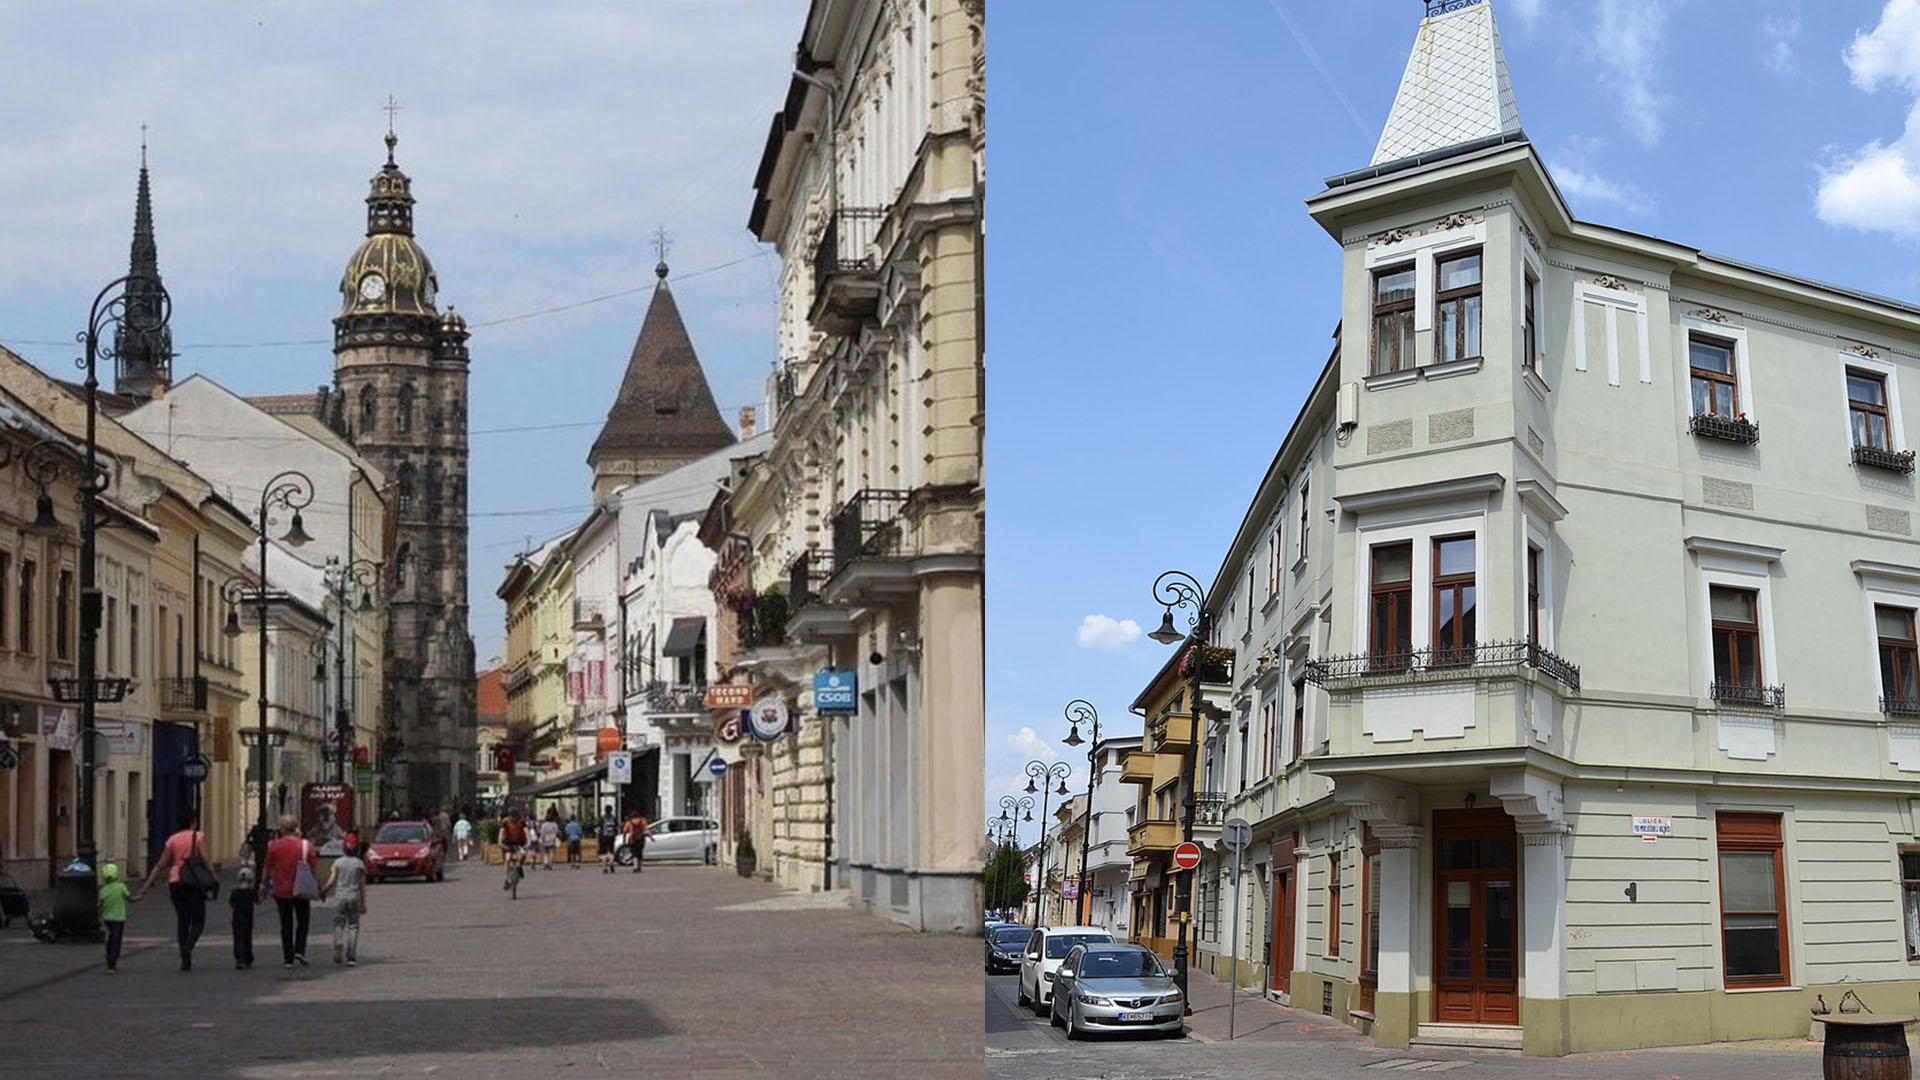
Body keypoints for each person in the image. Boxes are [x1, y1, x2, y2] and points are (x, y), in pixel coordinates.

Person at [135, 810, 211, 971]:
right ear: (194, 822)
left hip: (176, 882)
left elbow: (160, 865)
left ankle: (184, 957)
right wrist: (214, 877)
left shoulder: (172, 840)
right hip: (194, 882)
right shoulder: (198, 837)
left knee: (183, 920)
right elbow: (205, 860)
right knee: (198, 919)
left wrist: (145, 887)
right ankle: (188, 946)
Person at [264, 814, 320, 968]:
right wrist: (318, 887)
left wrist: (263, 885)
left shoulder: (273, 846)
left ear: (281, 829)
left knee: (285, 923)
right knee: (303, 921)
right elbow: (314, 868)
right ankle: (299, 950)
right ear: (295, 828)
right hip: (302, 889)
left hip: (281, 890)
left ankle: (288, 958)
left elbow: (267, 868)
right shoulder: (306, 845)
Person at [322, 839, 368, 966]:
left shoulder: (338, 862)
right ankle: (351, 957)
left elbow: (332, 880)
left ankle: (338, 941)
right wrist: (363, 903)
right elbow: (362, 885)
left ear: (343, 850)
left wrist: (323, 891)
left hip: (340, 897)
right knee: (353, 926)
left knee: (338, 923)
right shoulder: (360, 864)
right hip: (354, 897)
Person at [97, 861, 132, 974]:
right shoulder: (121, 887)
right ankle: (112, 961)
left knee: (113, 936)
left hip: (107, 918)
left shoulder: (103, 890)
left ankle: (110, 953)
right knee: (116, 939)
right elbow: (129, 898)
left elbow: (99, 905)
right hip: (119, 918)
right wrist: (139, 896)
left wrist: (98, 916)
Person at [230, 865, 259, 970]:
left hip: (236, 918)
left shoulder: (235, 892)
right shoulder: (251, 892)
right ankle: (248, 957)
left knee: (238, 938)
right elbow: (258, 901)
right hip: (248, 918)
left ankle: (239, 959)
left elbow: (231, 903)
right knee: (247, 938)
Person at [499, 813, 528, 890]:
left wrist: (528, 842)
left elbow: (526, 832)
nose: (513, 818)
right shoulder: (505, 822)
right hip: (508, 844)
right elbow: (501, 833)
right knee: (507, 859)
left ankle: (519, 866)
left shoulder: (521, 822)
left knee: (523, 854)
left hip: (519, 843)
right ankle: (506, 879)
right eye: (512, 816)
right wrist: (500, 842)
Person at [596, 808, 619, 874]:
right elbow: (617, 827)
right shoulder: (614, 818)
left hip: (603, 837)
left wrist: (598, 837)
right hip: (612, 837)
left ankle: (605, 867)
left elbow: (598, 828)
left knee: (604, 853)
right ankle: (611, 863)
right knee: (611, 851)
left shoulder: (602, 818)